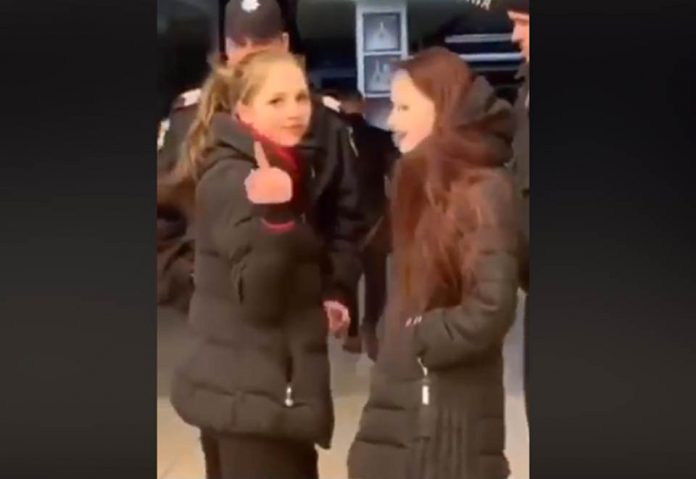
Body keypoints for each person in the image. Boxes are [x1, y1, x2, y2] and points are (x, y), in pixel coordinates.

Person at [159, 49, 333, 479]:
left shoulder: (276, 166)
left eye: (301, 97)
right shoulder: (241, 178)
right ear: (244, 111)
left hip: (255, 392)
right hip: (254, 401)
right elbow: (259, 295)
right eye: (276, 100)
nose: (294, 111)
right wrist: (275, 217)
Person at [347, 47, 519, 479]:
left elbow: (491, 306)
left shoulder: (481, 191)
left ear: (444, 109)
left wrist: (420, 337)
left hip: (444, 423)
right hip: (410, 404)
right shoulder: (425, 183)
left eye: (404, 108)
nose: (392, 121)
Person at [158, 0, 366, 326]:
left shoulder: (324, 122)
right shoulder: (190, 122)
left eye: (263, 43)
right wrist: (194, 283)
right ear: (227, 48)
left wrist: (335, 290)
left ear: (284, 43)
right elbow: (162, 218)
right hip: (216, 316)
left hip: (304, 309)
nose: (252, 54)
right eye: (241, 44)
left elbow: (348, 219)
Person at [336, 89, 398, 359]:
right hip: (375, 217)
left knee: (347, 273)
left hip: (342, 219)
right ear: (362, 105)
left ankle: (351, 335)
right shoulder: (379, 137)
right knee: (376, 279)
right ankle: (371, 327)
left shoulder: (332, 138)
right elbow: (397, 173)